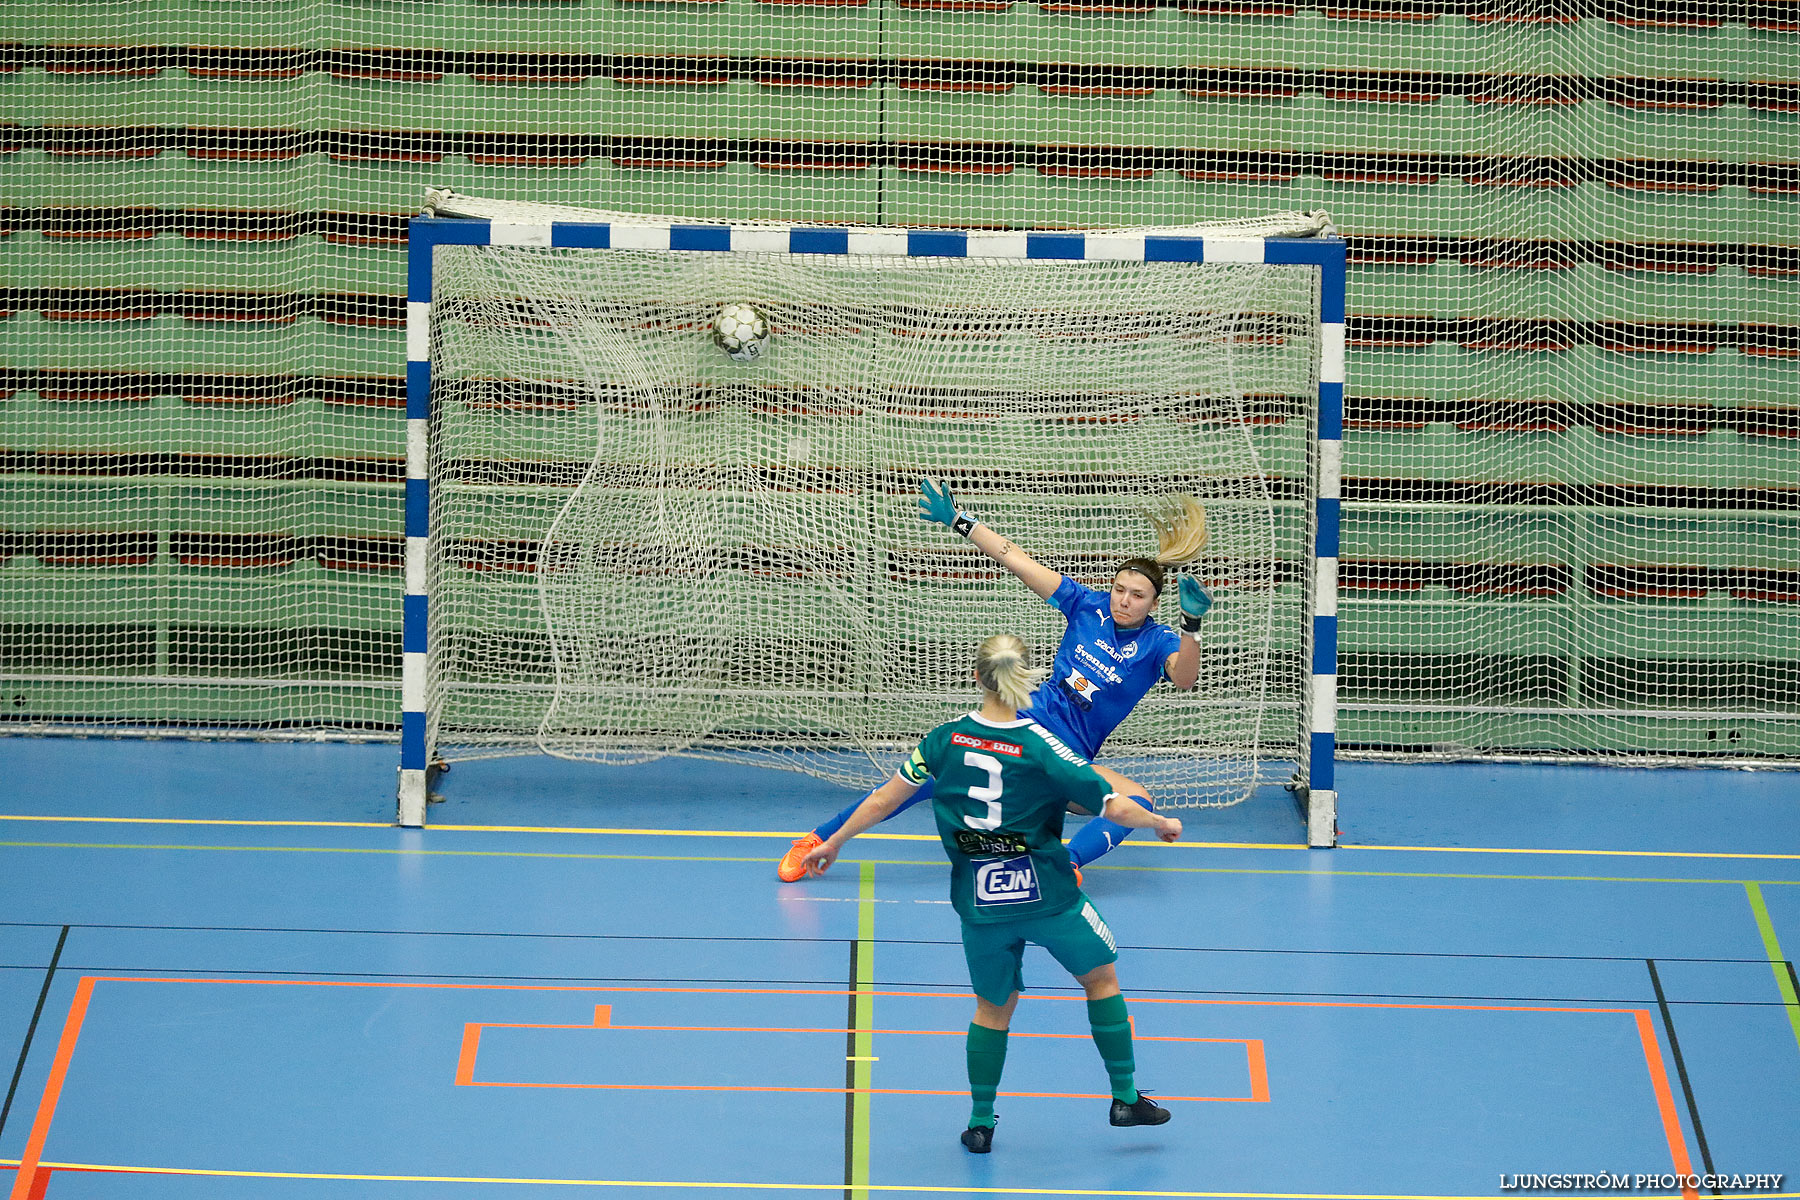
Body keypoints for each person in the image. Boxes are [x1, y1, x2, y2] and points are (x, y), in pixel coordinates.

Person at [801, 632, 1184, 1152]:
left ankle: (981, 1123)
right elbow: (1115, 806)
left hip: (981, 906)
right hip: (1049, 898)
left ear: (977, 677)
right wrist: (1157, 819)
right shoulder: (1041, 747)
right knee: (1101, 980)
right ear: (1028, 680)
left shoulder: (940, 742)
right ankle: (1124, 1097)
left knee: (992, 1008)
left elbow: (883, 800)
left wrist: (834, 840)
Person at [778, 476, 1213, 883]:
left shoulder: (1158, 642)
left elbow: (1185, 678)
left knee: (1137, 801)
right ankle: (819, 838)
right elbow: (1017, 560)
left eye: (1137, 596)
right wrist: (957, 519)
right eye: (1119, 588)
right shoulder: (1087, 606)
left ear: (1154, 603)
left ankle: (1066, 865)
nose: (1124, 600)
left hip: (1067, 759)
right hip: (1021, 726)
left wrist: (1191, 625)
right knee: (923, 779)